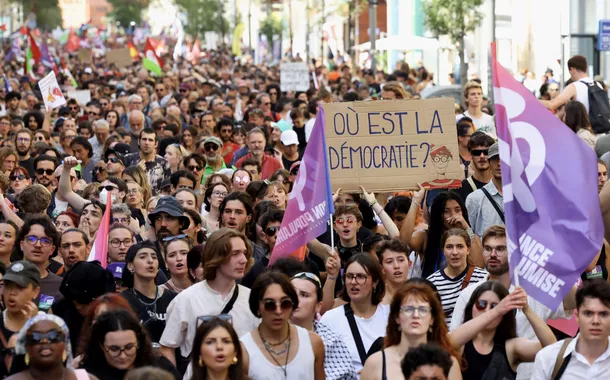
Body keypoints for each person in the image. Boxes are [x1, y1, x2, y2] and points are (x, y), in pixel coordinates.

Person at [450, 226, 577, 380]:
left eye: (501, 249)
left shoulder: (534, 289)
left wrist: (560, 268)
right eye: (488, 249)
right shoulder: (468, 294)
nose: (493, 254)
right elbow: (452, 342)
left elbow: (573, 302)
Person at [160, 229, 258, 376]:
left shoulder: (253, 299)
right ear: (216, 256)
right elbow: (167, 346)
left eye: (244, 253)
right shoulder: (185, 300)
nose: (243, 259)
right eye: (235, 254)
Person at [451, 282, 557, 380]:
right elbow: (449, 342)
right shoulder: (461, 343)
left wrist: (526, 309)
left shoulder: (511, 347)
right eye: (482, 304)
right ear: (471, 307)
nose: (487, 310)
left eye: (494, 306)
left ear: (505, 313)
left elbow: (551, 347)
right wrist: (496, 311)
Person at [361, 281, 462, 380]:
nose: (416, 315)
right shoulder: (375, 363)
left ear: (432, 319)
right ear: (397, 317)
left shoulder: (449, 364)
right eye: (408, 309)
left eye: (423, 310)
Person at [241, 271, 325, 379]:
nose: (278, 311)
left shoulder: (313, 342)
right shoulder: (244, 351)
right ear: (258, 307)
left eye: (285, 304)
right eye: (270, 305)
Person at [320, 254, 388, 376]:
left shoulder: (390, 316)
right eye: (349, 276)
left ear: (375, 282)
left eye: (361, 277)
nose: (353, 282)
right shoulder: (330, 319)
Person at [531, 279, 610, 379]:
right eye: (588, 313)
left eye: (603, 314)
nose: (595, 321)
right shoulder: (549, 358)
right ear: (577, 316)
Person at [400, 189, 483, 278]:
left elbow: (479, 266)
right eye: (446, 211)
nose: (453, 215)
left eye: (457, 210)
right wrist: (415, 201)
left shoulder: (472, 237)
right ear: (438, 214)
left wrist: (467, 228)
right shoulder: (425, 237)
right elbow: (404, 241)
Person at [290, 272, 358, 379]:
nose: (295, 299)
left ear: (318, 306)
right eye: (291, 294)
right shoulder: (268, 333)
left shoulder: (331, 342)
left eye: (304, 295)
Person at [79, 310, 179, 380]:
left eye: (129, 347)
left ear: (139, 342)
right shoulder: (86, 374)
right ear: (101, 345)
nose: (123, 356)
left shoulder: (161, 367)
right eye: (114, 349)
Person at [51, 261, 116, 352]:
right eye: (75, 300)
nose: (79, 306)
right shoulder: (60, 310)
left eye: (86, 302)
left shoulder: (113, 316)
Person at [120, 241, 176, 344]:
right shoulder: (122, 301)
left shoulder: (174, 299)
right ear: (130, 266)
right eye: (143, 257)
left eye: (154, 257)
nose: (150, 261)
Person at [427, 229, 487, 322]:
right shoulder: (431, 283)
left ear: (468, 250)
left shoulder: (483, 278)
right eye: (449, 247)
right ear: (443, 251)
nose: (454, 252)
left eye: (460, 247)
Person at [8, 314, 93, 380]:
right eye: (35, 337)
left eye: (53, 336)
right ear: (26, 347)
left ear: (65, 344)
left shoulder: (85, 378)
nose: (44, 341)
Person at [0, 261, 41, 375]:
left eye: (20, 287)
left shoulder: (48, 326)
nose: (12, 293)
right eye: (7, 285)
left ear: (35, 291)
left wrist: (34, 326)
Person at [15, 216, 63, 311]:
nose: (38, 245)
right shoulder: (7, 278)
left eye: (45, 241)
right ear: (21, 244)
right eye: (32, 239)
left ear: (52, 249)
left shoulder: (59, 285)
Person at [465, 142, 505, 237]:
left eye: (504, 158)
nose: (499, 163)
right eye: (495, 159)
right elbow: (471, 236)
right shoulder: (474, 199)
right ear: (489, 163)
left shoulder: (522, 197)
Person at [124, 127, 171, 195]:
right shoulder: (128, 159)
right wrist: (136, 171)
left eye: (150, 140)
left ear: (156, 144)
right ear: (138, 141)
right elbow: (122, 183)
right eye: (144, 139)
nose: (147, 143)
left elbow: (167, 189)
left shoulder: (164, 163)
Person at [455, 132, 494, 202]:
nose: (482, 156)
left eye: (486, 152)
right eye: (477, 153)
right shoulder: (460, 189)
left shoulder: (503, 186)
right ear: (470, 155)